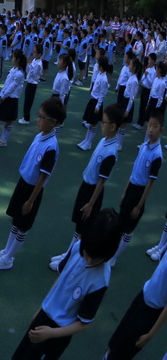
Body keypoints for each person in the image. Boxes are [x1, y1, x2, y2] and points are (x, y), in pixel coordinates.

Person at [11, 209, 121, 359]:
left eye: (95, 259)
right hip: (44, 315)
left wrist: (51, 333)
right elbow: (61, 278)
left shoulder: (100, 281)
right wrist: (41, 309)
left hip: (58, 332)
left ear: (110, 253)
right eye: (87, 254)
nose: (88, 260)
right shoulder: (77, 247)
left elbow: (85, 323)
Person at [0, 97, 66, 271]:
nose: (38, 120)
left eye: (42, 117)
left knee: (23, 226)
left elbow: (43, 177)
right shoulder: (40, 136)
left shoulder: (51, 146)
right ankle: (6, 251)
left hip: (33, 190)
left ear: (53, 122)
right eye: (39, 115)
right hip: (23, 183)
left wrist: (31, 201)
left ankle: (9, 258)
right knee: (16, 220)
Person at [49, 103, 122, 271]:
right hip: (86, 187)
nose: (101, 125)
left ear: (113, 126)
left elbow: (101, 181)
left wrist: (90, 203)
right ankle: (68, 254)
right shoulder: (104, 141)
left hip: (92, 193)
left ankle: (69, 261)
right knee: (79, 227)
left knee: (83, 230)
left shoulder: (111, 152)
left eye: (104, 122)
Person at [108, 110, 163, 267]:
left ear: (161, 129)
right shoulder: (144, 146)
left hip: (139, 193)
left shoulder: (157, 155)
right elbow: (134, 172)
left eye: (155, 126)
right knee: (121, 222)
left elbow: (150, 183)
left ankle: (114, 258)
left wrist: (139, 206)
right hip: (131, 188)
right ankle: (111, 251)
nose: (151, 129)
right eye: (149, 125)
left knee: (129, 229)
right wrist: (125, 192)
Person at [104, 251, 167, 358]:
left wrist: (150, 334)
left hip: (151, 311)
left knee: (121, 352)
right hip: (143, 296)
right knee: (115, 343)